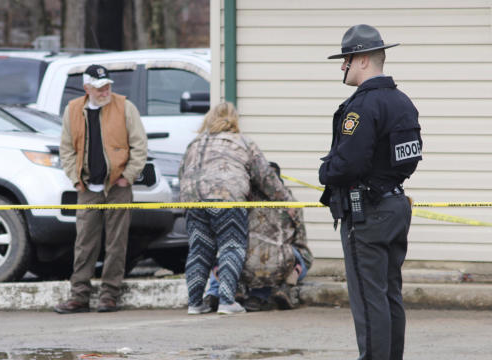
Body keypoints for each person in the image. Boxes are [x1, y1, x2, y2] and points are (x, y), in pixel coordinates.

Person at [319, 24, 422, 360]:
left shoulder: (362, 106)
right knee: (389, 294)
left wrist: (325, 170)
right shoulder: (402, 102)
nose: (342, 66)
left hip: (367, 214)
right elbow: (410, 156)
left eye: (346, 58)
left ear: (361, 59)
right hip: (395, 206)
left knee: (368, 298)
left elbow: (348, 165)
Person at [179, 101, 295, 315]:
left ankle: (194, 303)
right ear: (234, 120)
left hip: (192, 199)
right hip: (226, 199)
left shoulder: (194, 144)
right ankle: (226, 301)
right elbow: (266, 177)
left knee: (199, 250)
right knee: (231, 246)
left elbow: (182, 172)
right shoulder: (242, 142)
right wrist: (286, 201)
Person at [54, 64, 147, 314]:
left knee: (117, 243)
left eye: (107, 86)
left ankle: (109, 295)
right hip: (87, 187)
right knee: (84, 243)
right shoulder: (72, 110)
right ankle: (80, 296)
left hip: (118, 186)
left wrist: (128, 176)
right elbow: (66, 149)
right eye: (99, 87)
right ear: (87, 88)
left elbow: (140, 146)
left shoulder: (125, 107)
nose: (105, 90)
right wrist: (75, 179)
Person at [203, 163, 314, 312]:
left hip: (243, 261)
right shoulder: (291, 204)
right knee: (296, 257)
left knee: (226, 254)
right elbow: (300, 241)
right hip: (277, 262)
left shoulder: (240, 202)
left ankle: (216, 292)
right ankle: (267, 294)